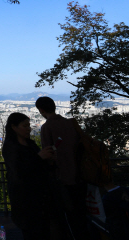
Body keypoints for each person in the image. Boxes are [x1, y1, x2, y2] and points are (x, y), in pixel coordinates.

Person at [36, 96, 89, 239]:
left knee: (66, 214)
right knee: (81, 213)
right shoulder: (70, 123)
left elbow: (48, 153)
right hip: (80, 174)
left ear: (41, 110)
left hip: (62, 177)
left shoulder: (47, 127)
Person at [2, 112, 55, 240]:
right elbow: (19, 171)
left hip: (41, 198)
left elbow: (40, 165)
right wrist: (39, 157)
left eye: (29, 125)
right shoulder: (10, 147)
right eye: (25, 126)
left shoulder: (30, 144)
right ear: (14, 127)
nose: (29, 128)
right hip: (25, 200)